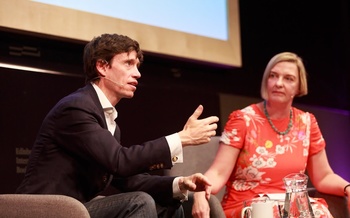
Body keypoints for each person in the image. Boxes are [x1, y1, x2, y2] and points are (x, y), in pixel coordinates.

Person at [16, 33, 220, 218]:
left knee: (170, 204)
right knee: (139, 201)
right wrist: (181, 138)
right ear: (102, 67)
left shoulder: (107, 120)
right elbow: (120, 161)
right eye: (128, 64)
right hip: (46, 210)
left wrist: (179, 183)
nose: (137, 73)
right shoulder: (76, 108)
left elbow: (126, 179)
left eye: (137, 65)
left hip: (75, 208)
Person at [191, 52, 350, 218]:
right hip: (248, 206)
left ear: (299, 87)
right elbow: (217, 173)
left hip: (290, 208)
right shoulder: (243, 119)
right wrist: (200, 192)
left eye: (288, 78)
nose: (279, 83)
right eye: (273, 76)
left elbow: (323, 176)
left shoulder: (307, 122)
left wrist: (347, 187)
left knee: (318, 212)